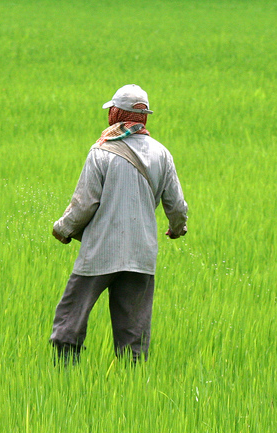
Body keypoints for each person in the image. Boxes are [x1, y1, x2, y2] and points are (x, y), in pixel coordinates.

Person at [49, 84, 189, 364]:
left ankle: (64, 377)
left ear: (115, 114)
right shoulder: (162, 153)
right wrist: (176, 228)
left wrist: (63, 229)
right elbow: (176, 206)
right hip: (141, 255)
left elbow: (84, 204)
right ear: (143, 117)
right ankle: (132, 386)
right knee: (133, 337)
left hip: (100, 252)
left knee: (69, 323)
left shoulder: (101, 151)